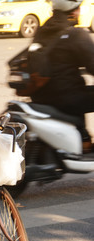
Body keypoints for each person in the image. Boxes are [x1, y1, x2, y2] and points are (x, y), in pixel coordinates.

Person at [29, 0, 94, 152]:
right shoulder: (76, 34)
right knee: (80, 94)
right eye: (78, 9)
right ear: (72, 11)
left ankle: (82, 136)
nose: (80, 13)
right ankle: (84, 141)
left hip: (40, 96)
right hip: (67, 97)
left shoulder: (43, 30)